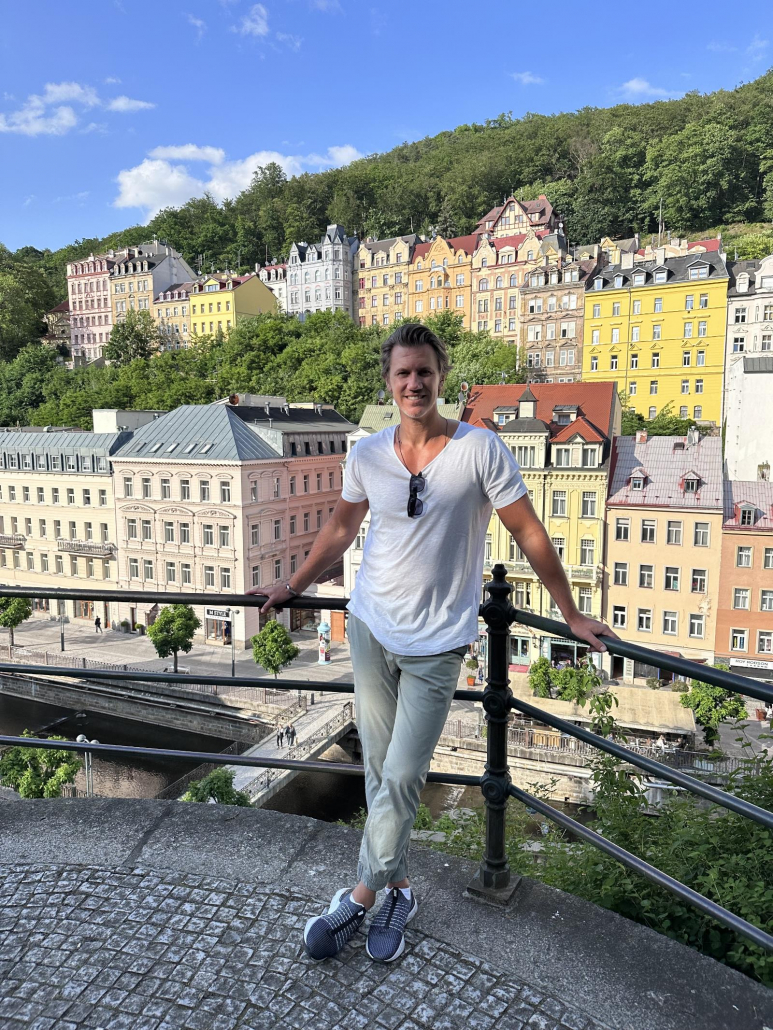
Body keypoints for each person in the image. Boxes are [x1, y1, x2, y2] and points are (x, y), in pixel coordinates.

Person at [251, 323, 613, 965]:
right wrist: (293, 585)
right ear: (388, 382)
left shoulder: (479, 449)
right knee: (378, 772)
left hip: (437, 643)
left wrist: (572, 613)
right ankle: (399, 893)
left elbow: (529, 532)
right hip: (371, 628)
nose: (414, 382)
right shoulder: (367, 453)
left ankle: (356, 899)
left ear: (441, 377)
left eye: (424, 371)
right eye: (403, 373)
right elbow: (340, 530)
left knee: (403, 776)